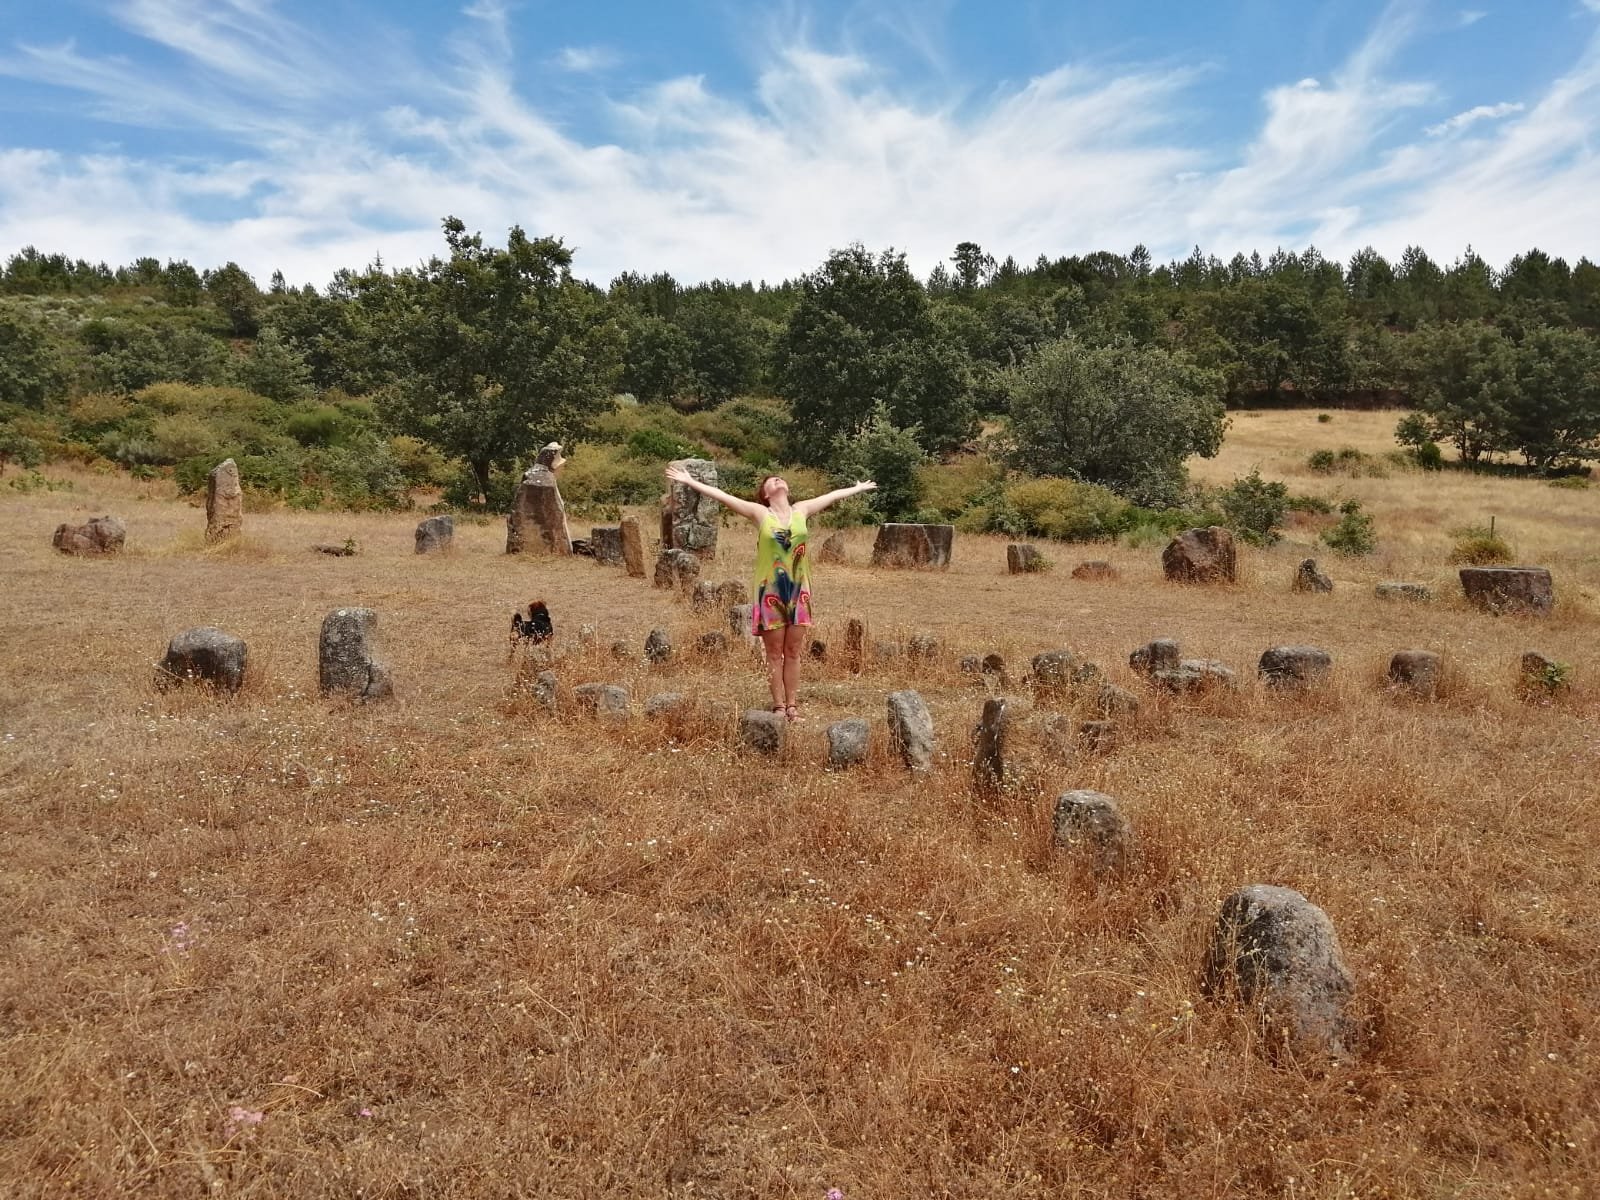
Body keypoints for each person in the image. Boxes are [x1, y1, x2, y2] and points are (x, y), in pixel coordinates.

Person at [663, 466, 876, 721]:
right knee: (775, 653)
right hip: (770, 591)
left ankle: (793, 706)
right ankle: (778, 706)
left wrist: (857, 487)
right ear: (765, 494)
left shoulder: (802, 510)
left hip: (799, 590)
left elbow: (831, 496)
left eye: (779, 478)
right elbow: (721, 496)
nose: (778, 480)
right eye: (772, 481)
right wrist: (689, 481)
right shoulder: (760, 513)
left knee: (794, 650)